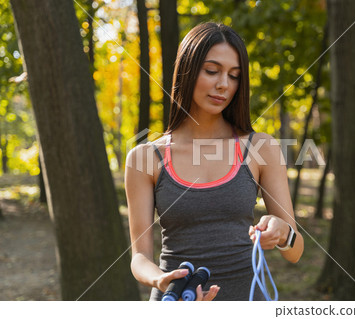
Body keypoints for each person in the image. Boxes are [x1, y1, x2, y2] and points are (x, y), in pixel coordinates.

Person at [125, 22, 304, 301]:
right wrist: (162, 280)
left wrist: (284, 234)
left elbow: (296, 250)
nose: (223, 84)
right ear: (187, 70)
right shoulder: (145, 158)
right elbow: (139, 257)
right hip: (177, 300)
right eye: (212, 71)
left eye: (234, 76)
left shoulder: (260, 148)